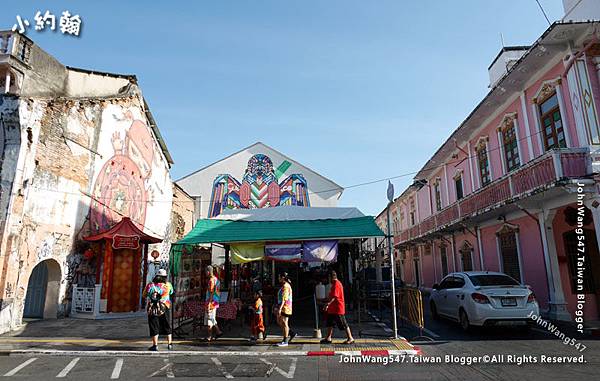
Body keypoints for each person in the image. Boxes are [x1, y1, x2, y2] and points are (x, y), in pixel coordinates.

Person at [143, 268, 174, 351]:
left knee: (154, 325)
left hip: (153, 308)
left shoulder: (150, 285)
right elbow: (171, 292)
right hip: (165, 307)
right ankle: (169, 343)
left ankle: (155, 345)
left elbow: (144, 295)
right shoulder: (168, 285)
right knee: (167, 324)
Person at [321, 270, 355, 344]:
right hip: (332, 309)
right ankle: (328, 338)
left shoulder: (336, 284)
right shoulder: (334, 284)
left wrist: (328, 304)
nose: (328, 279)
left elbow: (334, 297)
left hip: (337, 308)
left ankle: (350, 337)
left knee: (343, 323)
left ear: (331, 277)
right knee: (330, 323)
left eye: (328, 277)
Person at [275, 272, 297, 347]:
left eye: (279, 277)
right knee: (280, 321)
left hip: (285, 307)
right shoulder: (284, 285)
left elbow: (284, 298)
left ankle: (285, 340)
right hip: (284, 306)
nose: (278, 278)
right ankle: (291, 333)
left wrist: (280, 308)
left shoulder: (286, 286)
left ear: (283, 278)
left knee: (284, 323)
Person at [204, 265, 223, 341]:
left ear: (209, 271)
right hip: (215, 301)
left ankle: (212, 335)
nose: (205, 273)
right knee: (211, 318)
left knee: (210, 319)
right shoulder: (216, 279)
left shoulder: (211, 280)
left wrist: (209, 303)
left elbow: (211, 292)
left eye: (206, 271)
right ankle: (217, 332)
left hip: (211, 301)